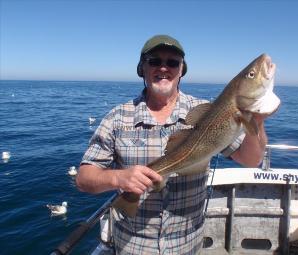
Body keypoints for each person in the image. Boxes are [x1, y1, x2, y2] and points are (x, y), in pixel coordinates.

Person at [76, 35, 268, 255]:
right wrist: (118, 178)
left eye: (172, 62)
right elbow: (83, 179)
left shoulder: (208, 111)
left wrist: (257, 122)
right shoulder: (116, 118)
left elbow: (251, 160)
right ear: (142, 68)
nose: (164, 68)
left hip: (187, 246)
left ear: (181, 70)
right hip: (133, 247)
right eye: (155, 61)